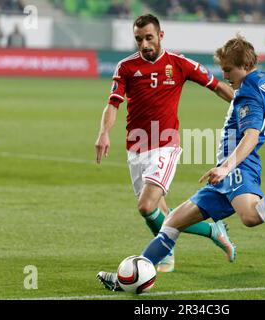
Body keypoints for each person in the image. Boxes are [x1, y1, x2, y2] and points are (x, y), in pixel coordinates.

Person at [101, 34, 265, 291]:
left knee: (250, 215)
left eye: (228, 70)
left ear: (244, 67)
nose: (225, 76)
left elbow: (251, 134)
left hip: (237, 167)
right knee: (171, 223)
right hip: (226, 172)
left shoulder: (247, 94)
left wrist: (226, 167)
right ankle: (129, 278)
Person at [95, 14, 236, 287]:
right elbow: (113, 103)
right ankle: (198, 237)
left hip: (166, 145)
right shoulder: (125, 67)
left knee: (146, 206)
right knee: (159, 211)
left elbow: (218, 86)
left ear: (161, 35)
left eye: (149, 37)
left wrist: (246, 103)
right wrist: (103, 132)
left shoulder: (179, 63)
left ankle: (177, 246)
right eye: (139, 39)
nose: (144, 44)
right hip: (136, 149)